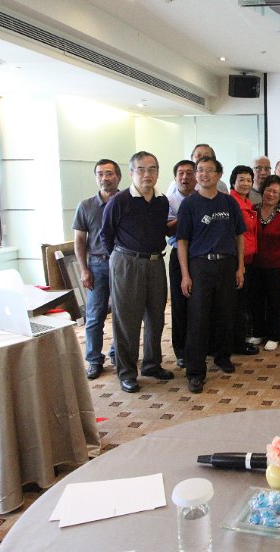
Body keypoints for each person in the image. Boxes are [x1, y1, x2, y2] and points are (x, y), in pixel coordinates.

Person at [100, 151, 175, 393]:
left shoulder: (162, 201)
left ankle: (152, 365)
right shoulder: (119, 201)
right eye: (141, 169)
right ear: (132, 173)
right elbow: (106, 236)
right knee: (127, 321)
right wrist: (122, 259)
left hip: (155, 263)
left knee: (156, 317)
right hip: (127, 263)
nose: (146, 174)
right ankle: (127, 373)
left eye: (152, 169)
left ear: (158, 173)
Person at [176, 156, 246, 394]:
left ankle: (222, 357)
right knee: (198, 319)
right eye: (200, 170)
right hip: (200, 266)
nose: (204, 174)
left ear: (219, 175)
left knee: (225, 314)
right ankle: (195, 372)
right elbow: (182, 241)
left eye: (209, 170)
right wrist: (185, 275)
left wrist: (240, 267)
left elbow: (239, 236)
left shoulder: (229, 202)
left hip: (227, 264)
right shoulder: (189, 204)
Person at [72, 158, 120, 380]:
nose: (104, 178)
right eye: (100, 174)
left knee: (122, 314)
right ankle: (93, 359)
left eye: (109, 173)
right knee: (94, 315)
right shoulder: (86, 206)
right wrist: (84, 269)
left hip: (122, 264)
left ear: (118, 176)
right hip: (97, 265)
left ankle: (117, 354)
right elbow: (79, 241)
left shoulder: (126, 201)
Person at [251, 175, 280, 351]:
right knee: (255, 301)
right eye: (269, 190)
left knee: (274, 302)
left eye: (276, 192)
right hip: (253, 264)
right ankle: (258, 332)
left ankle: (274, 335)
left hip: (275, 266)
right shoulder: (253, 210)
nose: (271, 194)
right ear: (263, 191)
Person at [165, 160, 196, 368]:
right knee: (179, 304)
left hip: (200, 256)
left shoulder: (203, 197)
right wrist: (185, 214)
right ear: (175, 178)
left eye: (189, 173)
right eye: (181, 173)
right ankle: (181, 351)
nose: (185, 177)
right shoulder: (168, 200)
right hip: (178, 255)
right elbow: (167, 229)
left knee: (200, 304)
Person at [229, 165, 260, 356]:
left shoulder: (247, 202)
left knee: (242, 302)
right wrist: (239, 265)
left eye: (249, 180)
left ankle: (239, 340)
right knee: (236, 304)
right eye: (241, 179)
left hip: (248, 259)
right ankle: (237, 343)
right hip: (235, 261)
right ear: (233, 181)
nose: (246, 183)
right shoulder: (232, 203)